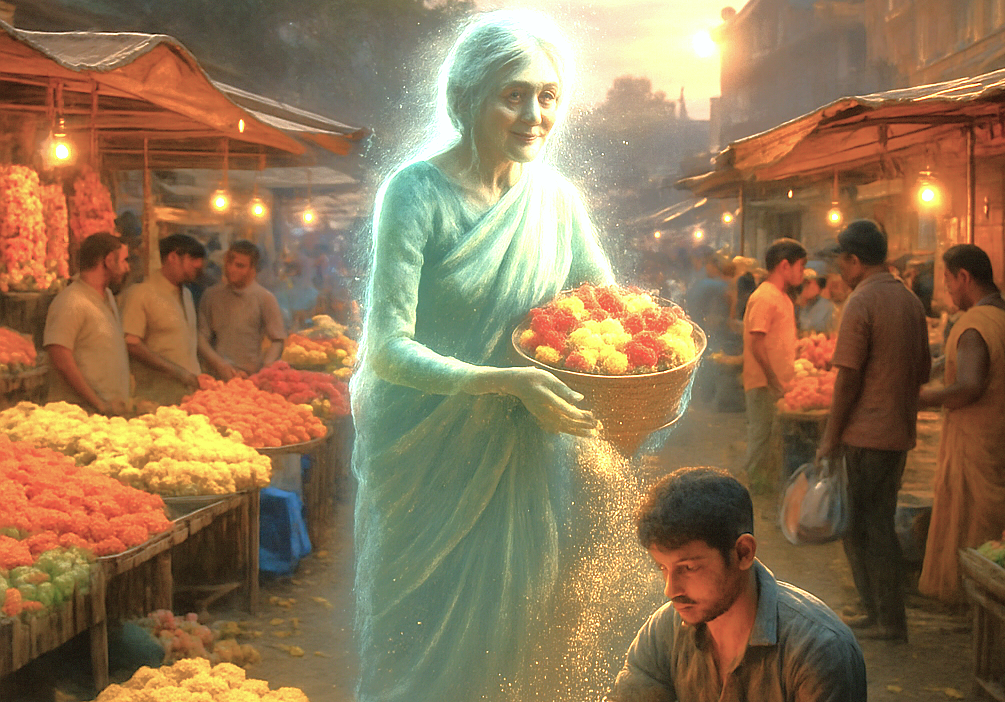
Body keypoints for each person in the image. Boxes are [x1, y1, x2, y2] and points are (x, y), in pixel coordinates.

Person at [349, 11, 646, 702]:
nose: (533, 114)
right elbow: (387, 350)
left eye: (547, 96)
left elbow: (607, 312)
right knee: (417, 648)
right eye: (512, 94)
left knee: (515, 632)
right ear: (466, 98)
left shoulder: (557, 203)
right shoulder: (414, 193)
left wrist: (656, 357)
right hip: (425, 461)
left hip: (525, 460)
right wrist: (504, 382)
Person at [607, 467, 867, 702]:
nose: (670, 590)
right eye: (663, 568)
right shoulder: (664, 632)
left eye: (688, 568)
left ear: (743, 552)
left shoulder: (818, 650)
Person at [817, 219, 930, 642]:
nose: (840, 272)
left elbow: (847, 378)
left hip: (864, 436)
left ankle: (886, 619)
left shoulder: (861, 302)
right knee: (877, 523)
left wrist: (830, 437)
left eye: (841, 262)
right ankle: (881, 613)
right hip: (897, 435)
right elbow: (922, 372)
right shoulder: (910, 300)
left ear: (854, 260)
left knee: (863, 528)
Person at [917, 244, 1005, 604]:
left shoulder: (974, 326)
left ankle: (971, 601)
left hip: (976, 441)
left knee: (974, 524)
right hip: (994, 436)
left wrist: (918, 398)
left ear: (964, 278)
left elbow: (969, 386)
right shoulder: (999, 315)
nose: (949, 290)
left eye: (949, 281)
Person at [740, 238, 806, 489]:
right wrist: (774, 380)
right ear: (784, 266)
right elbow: (757, 343)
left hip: (778, 384)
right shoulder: (765, 297)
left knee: (771, 440)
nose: (802, 273)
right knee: (760, 439)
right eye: (800, 267)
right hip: (763, 383)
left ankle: (763, 488)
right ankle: (749, 491)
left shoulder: (782, 297)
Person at [43, 232, 131, 415]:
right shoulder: (71, 301)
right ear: (108, 261)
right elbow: (61, 359)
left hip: (108, 414)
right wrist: (98, 403)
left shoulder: (108, 298)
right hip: (80, 414)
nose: (127, 267)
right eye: (123, 260)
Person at [120, 233, 205, 406]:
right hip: (155, 398)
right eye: (192, 259)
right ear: (173, 257)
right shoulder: (141, 293)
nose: (198, 265)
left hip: (189, 396)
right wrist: (177, 372)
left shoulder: (187, 294)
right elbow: (131, 343)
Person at [198, 240, 286, 379]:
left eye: (240, 266)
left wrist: (265, 368)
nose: (232, 269)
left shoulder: (265, 298)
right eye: (229, 263)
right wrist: (219, 364)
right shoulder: (211, 295)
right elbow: (201, 337)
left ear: (253, 270)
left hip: (251, 377)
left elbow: (277, 340)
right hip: (216, 376)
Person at [798, 269, 835, 335]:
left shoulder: (827, 307)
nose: (804, 287)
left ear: (818, 285)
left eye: (808, 283)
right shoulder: (800, 307)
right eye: (802, 283)